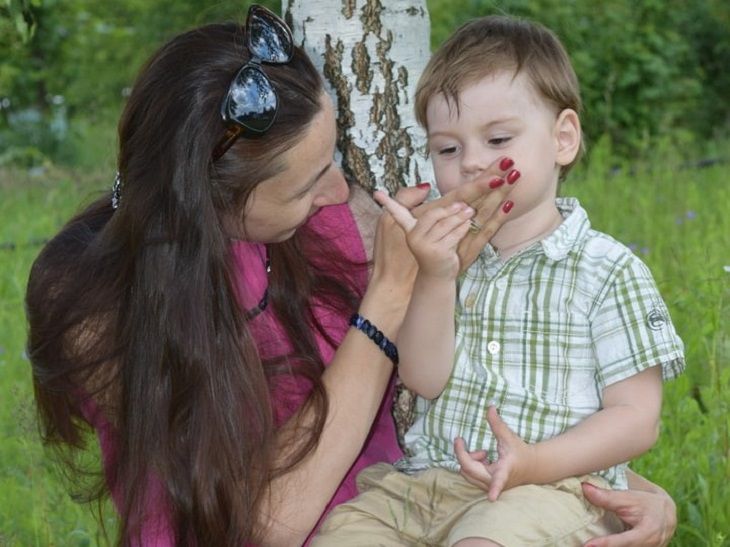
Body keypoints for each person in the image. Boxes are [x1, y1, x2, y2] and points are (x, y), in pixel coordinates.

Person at [24, 5, 677, 546]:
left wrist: (626, 489)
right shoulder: (94, 304)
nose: (343, 190)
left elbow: (510, 388)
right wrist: (390, 296)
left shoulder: (335, 226)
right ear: (209, 202)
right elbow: (266, 523)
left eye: (335, 153)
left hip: (451, 506)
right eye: (312, 181)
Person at [313, 14, 684, 547]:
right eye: (447, 148)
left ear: (563, 139)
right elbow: (424, 379)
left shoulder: (607, 270)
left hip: (549, 491)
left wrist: (536, 462)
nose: (471, 163)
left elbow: (636, 420)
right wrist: (438, 277)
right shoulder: (444, 261)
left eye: (498, 138)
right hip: (422, 488)